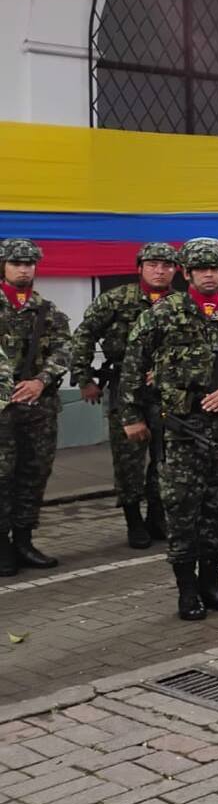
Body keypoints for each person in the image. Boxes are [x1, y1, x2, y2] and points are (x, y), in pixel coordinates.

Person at [119, 237, 218, 620]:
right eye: (200, 269)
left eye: (214, 268)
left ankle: (212, 583)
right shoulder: (163, 313)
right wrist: (131, 416)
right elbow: (133, 365)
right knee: (183, 510)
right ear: (186, 273)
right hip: (182, 430)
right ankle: (187, 591)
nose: (208, 275)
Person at [70, 242, 178, 549]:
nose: (160, 270)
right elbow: (85, 333)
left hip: (168, 393)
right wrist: (84, 376)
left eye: (167, 265)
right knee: (128, 460)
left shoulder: (182, 303)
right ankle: (134, 521)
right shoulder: (117, 299)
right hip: (124, 387)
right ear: (140, 267)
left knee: (166, 459)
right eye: (153, 264)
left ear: (176, 270)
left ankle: (157, 517)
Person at [0, 238, 71, 576]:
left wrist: (41, 381)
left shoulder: (49, 310)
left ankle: (24, 540)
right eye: (17, 263)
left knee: (33, 474)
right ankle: (2, 545)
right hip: (1, 411)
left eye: (29, 263)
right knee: (2, 477)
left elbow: (63, 350)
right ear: (4, 266)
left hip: (38, 408)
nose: (24, 268)